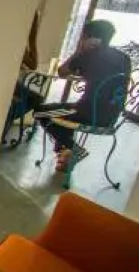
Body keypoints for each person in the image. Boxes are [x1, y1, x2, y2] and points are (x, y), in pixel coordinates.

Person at [35, 20, 131, 172]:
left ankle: (72, 149)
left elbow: (62, 72)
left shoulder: (88, 55)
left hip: (88, 113)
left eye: (83, 36)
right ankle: (66, 154)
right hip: (111, 117)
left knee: (40, 111)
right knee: (66, 112)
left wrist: (79, 51)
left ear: (90, 38)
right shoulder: (124, 58)